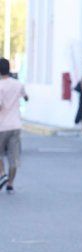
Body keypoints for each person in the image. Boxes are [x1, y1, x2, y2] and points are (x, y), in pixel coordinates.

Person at [0, 58, 27, 194]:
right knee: (13, 156)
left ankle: (3, 174)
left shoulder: (0, 86)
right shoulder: (18, 84)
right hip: (15, 125)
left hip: (2, 126)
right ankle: (10, 183)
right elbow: (26, 97)